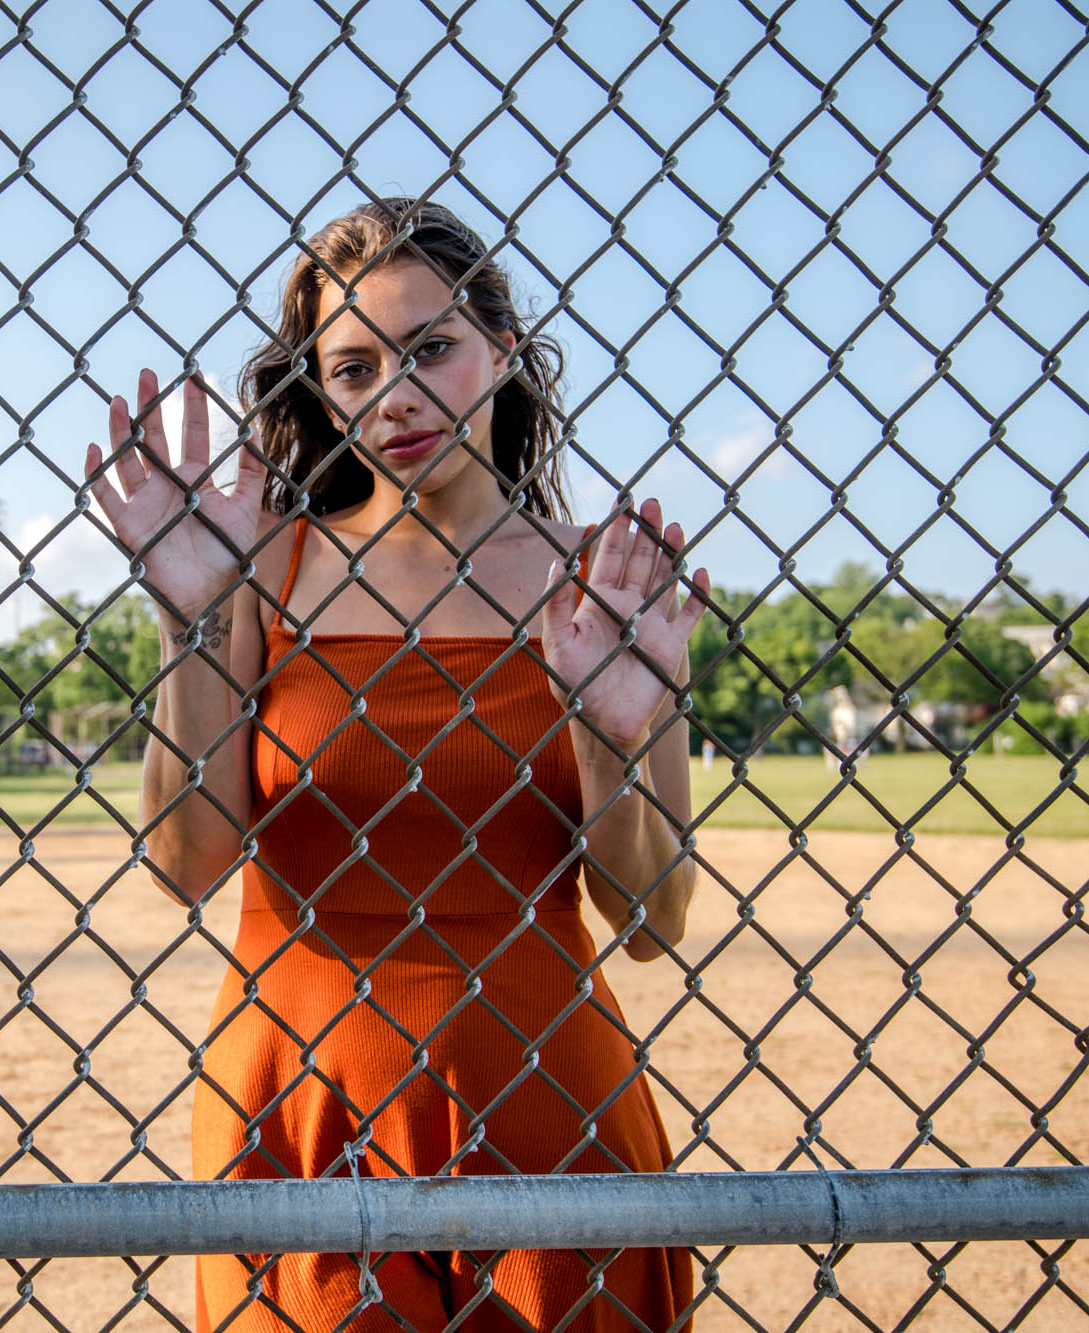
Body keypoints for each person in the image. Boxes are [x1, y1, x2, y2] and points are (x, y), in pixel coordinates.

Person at [85, 198, 706, 1331]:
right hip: (296, 1110)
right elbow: (184, 863)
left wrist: (605, 735)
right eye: (353, 366)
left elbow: (653, 917)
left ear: (501, 352)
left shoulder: (601, 576)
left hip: (551, 1106)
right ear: (318, 388)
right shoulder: (262, 562)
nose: (395, 395)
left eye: (430, 349)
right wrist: (188, 622)